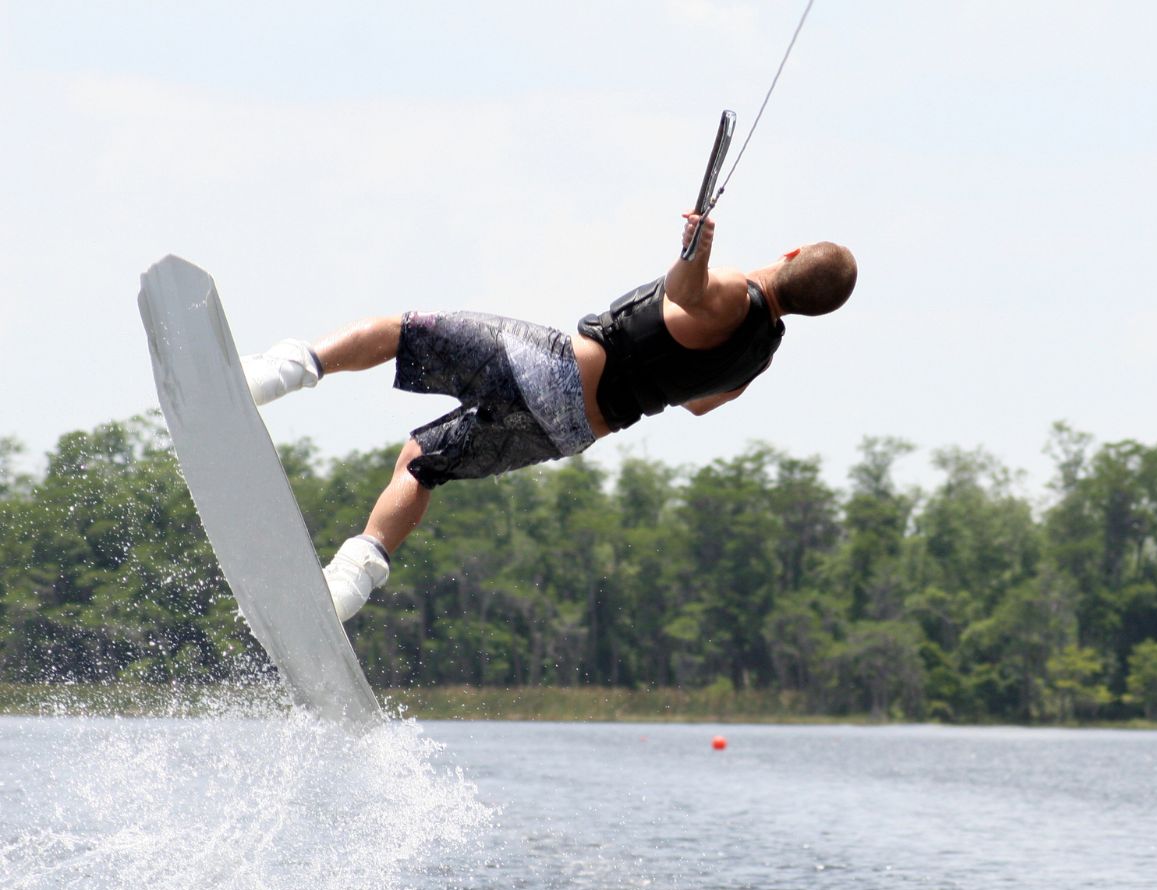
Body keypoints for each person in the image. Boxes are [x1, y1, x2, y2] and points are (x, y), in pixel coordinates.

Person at [240, 213, 856, 621]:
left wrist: (693, 255)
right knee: (422, 462)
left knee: (402, 331)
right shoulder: (759, 358)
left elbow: (689, 292)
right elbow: (697, 402)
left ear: (792, 253)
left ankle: (278, 371)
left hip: (555, 370)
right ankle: (351, 578)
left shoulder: (733, 295)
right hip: (574, 429)